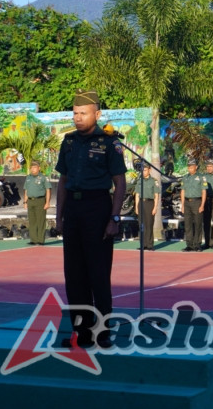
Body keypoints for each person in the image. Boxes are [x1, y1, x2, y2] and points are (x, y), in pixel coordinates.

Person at [55, 89, 127, 349]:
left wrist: (114, 217)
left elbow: (120, 183)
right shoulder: (69, 142)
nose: (77, 118)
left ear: (96, 115)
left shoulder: (110, 143)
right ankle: (81, 334)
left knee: (98, 275)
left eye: (83, 113)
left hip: (98, 209)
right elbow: (62, 180)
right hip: (73, 211)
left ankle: (102, 332)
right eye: (74, 114)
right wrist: (58, 215)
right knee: (74, 277)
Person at [180, 157, 206, 251]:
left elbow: (204, 192)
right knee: (188, 224)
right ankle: (189, 245)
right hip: (187, 202)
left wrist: (202, 205)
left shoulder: (201, 177)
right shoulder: (185, 178)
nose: (190, 168)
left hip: (197, 202)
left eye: (192, 166)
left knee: (198, 223)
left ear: (196, 167)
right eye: (189, 167)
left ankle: (197, 244)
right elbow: (182, 191)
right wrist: (182, 205)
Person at [23, 160, 51, 245]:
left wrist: (47, 202)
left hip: (40, 201)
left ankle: (40, 240)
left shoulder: (43, 177)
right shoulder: (28, 178)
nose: (33, 169)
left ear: (39, 168)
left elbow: (48, 190)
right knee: (32, 221)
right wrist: (25, 202)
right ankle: (33, 239)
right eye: (31, 167)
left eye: (35, 167)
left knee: (40, 221)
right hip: (30, 201)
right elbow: (26, 190)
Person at [135, 163, 160, 251]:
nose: (143, 172)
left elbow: (156, 195)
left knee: (149, 224)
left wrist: (155, 207)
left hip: (149, 203)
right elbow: (137, 194)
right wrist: (136, 207)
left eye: (145, 170)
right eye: (142, 170)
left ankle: (149, 245)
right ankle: (143, 244)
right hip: (141, 203)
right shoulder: (139, 180)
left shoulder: (154, 181)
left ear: (149, 170)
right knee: (141, 225)